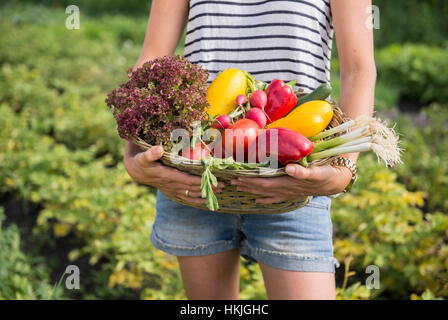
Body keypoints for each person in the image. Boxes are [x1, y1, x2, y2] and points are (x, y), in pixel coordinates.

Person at [124, 0, 376, 300]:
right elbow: (153, 58)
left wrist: (343, 170)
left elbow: (358, 71)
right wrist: (131, 157)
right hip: (196, 172)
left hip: (292, 176)